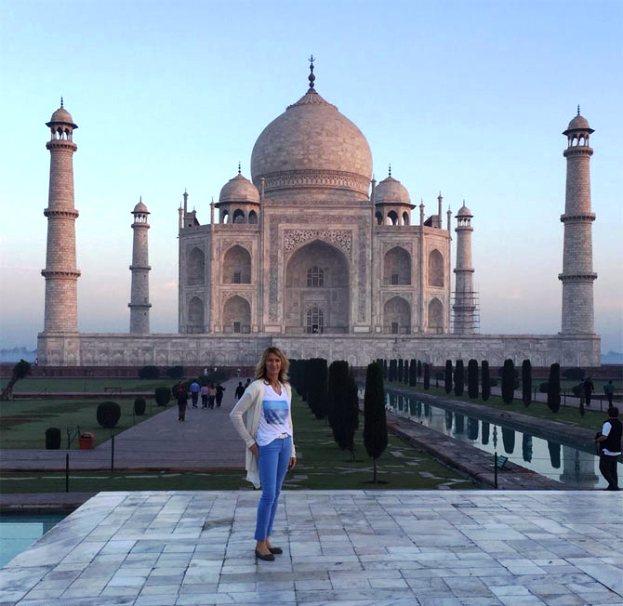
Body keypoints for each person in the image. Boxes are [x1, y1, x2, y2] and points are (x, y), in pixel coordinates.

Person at [229, 346, 297, 562]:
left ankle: (266, 539)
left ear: (282, 363)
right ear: (264, 364)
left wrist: (293, 449)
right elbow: (235, 414)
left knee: (276, 494)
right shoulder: (257, 387)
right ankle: (260, 543)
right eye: (270, 361)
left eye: (277, 361)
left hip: (284, 444)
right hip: (267, 445)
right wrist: (250, 442)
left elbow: (288, 420)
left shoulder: (286, 388)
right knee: (268, 495)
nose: (274, 364)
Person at [595, 407, 621, 491]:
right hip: (616, 450)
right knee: (613, 470)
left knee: (603, 469)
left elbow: (604, 437)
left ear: (609, 414)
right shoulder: (620, 423)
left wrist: (596, 440)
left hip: (607, 450)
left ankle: (614, 486)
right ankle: (612, 486)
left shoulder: (607, 423)